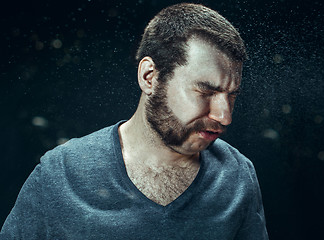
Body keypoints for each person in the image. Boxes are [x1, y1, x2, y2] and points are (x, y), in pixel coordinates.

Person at [1, 3, 268, 239]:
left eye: (231, 96)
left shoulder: (237, 176)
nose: (224, 116)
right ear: (150, 76)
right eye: (206, 92)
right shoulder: (62, 173)